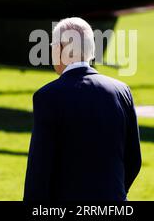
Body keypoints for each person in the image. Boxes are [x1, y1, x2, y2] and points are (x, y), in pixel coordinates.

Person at [24, 17, 141, 201]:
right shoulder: (121, 91)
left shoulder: (47, 96)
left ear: (59, 49)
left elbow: (39, 170)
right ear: (91, 50)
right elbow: (134, 159)